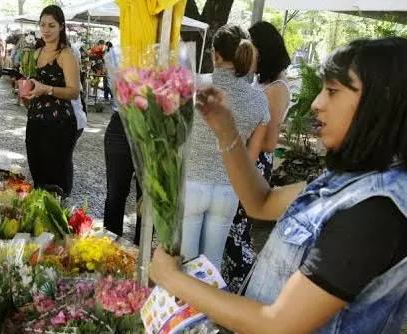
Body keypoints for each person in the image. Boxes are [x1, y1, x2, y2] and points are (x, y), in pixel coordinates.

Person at [151, 37, 407, 334]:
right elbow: (260, 202)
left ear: (382, 102)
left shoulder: (375, 211)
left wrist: (173, 279)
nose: (316, 104)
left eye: (333, 91)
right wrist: (226, 129)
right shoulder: (349, 181)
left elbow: (278, 324)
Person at [181, 23, 269, 270]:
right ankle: (208, 309)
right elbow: (250, 159)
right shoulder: (259, 99)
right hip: (227, 191)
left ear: (215, 54)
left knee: (184, 265)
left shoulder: (195, 86)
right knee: (212, 267)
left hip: (191, 183)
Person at [222, 20, 293, 293]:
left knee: (237, 229)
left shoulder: (276, 88)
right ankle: (225, 285)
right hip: (242, 156)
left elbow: (270, 142)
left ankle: (241, 290)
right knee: (229, 226)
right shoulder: (259, 82)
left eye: (251, 48)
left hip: (254, 162)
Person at [24, 5, 80, 197]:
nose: (46, 30)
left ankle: (59, 218)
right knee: (38, 175)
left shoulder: (66, 55)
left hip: (59, 124)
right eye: (42, 25)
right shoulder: (36, 53)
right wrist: (25, 91)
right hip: (35, 121)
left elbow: (74, 92)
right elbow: (33, 85)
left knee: (56, 178)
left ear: (61, 27)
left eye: (51, 25)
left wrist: (46, 89)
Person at [103, 99, 143, 244]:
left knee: (147, 199)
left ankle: (141, 256)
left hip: (152, 126)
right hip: (120, 125)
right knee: (114, 194)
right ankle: (110, 252)